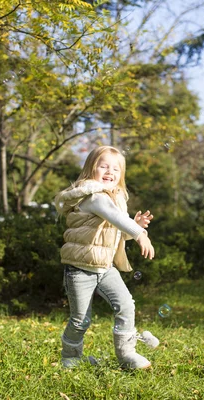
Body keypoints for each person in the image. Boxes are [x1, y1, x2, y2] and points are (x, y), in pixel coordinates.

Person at [54, 145, 156, 369]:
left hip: (105, 267)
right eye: (104, 166)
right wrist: (141, 235)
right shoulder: (92, 197)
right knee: (81, 320)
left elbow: (115, 234)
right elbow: (114, 217)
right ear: (91, 169)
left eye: (116, 169)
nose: (110, 172)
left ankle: (127, 354)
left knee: (126, 306)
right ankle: (70, 357)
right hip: (80, 268)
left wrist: (133, 228)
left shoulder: (115, 200)